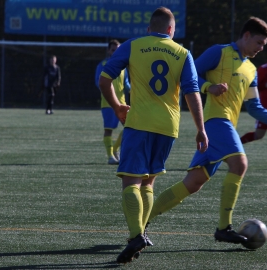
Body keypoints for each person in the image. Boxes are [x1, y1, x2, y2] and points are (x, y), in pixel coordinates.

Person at [146, 17, 267, 247]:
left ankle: (141, 222)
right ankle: (223, 228)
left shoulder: (251, 69)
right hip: (215, 121)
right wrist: (209, 87)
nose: (261, 49)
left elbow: (254, 106)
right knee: (240, 164)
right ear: (246, 35)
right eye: (259, 42)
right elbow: (188, 72)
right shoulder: (220, 52)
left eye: (264, 45)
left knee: (193, 183)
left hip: (224, 126)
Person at [99, 7, 208, 264]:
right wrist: (201, 128)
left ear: (149, 29)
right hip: (169, 126)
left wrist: (117, 107)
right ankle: (143, 231)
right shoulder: (183, 53)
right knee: (148, 182)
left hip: (139, 123)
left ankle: (136, 235)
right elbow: (193, 93)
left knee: (130, 183)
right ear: (172, 30)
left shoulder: (134, 45)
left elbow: (105, 79)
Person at [95, 39, 131, 165]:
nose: (115, 52)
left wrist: (134, 89)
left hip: (122, 102)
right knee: (108, 130)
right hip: (108, 103)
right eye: (113, 50)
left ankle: (116, 149)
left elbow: (126, 84)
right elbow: (98, 82)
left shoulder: (123, 66)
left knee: (130, 126)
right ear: (108, 51)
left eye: (118, 50)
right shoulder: (103, 65)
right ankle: (110, 156)